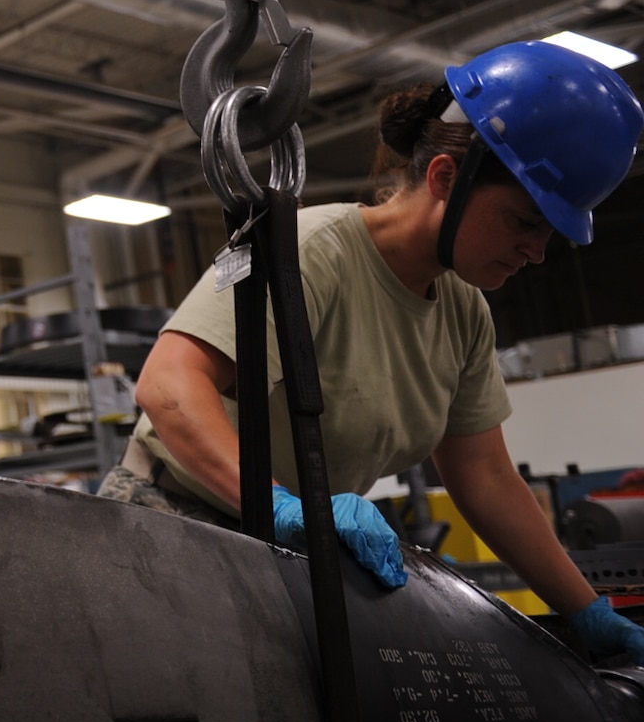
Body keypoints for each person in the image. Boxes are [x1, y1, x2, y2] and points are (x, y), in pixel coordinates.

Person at [106, 41, 644, 664]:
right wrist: (285, 506)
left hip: (285, 547)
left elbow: (487, 479)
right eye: (525, 222)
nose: (538, 251)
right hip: (168, 525)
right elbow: (169, 386)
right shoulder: (311, 252)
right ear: (446, 178)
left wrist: (586, 612)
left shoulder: (463, 311)